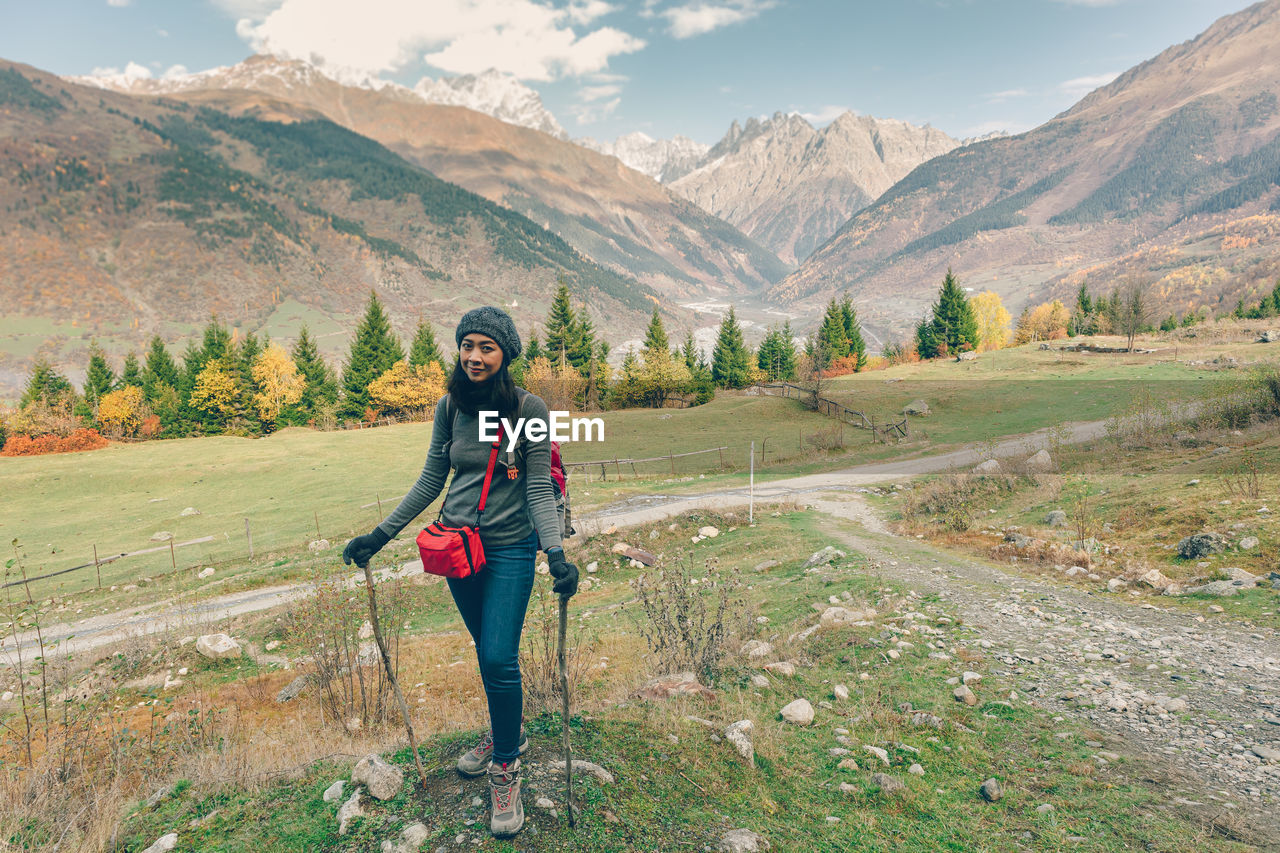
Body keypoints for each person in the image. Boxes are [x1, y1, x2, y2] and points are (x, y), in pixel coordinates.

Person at [342, 305, 578, 839]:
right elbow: (431, 480)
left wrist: (555, 553)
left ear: (505, 354)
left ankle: (506, 771)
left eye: (486, 347)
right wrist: (380, 536)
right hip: (457, 550)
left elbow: (538, 487)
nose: (473, 356)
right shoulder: (449, 407)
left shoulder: (529, 409)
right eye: (467, 345)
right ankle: (505, 733)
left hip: (513, 549)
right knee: (487, 652)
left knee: (498, 655)